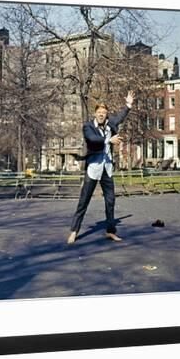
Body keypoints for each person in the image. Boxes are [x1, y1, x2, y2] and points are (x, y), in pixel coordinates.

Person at [67, 91, 135, 244]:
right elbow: (93, 140)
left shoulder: (110, 124)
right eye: (99, 112)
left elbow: (120, 116)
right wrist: (108, 140)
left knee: (110, 201)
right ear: (95, 113)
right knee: (84, 201)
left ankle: (111, 231)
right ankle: (74, 231)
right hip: (93, 168)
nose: (101, 115)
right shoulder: (88, 127)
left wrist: (128, 105)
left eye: (104, 113)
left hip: (107, 168)